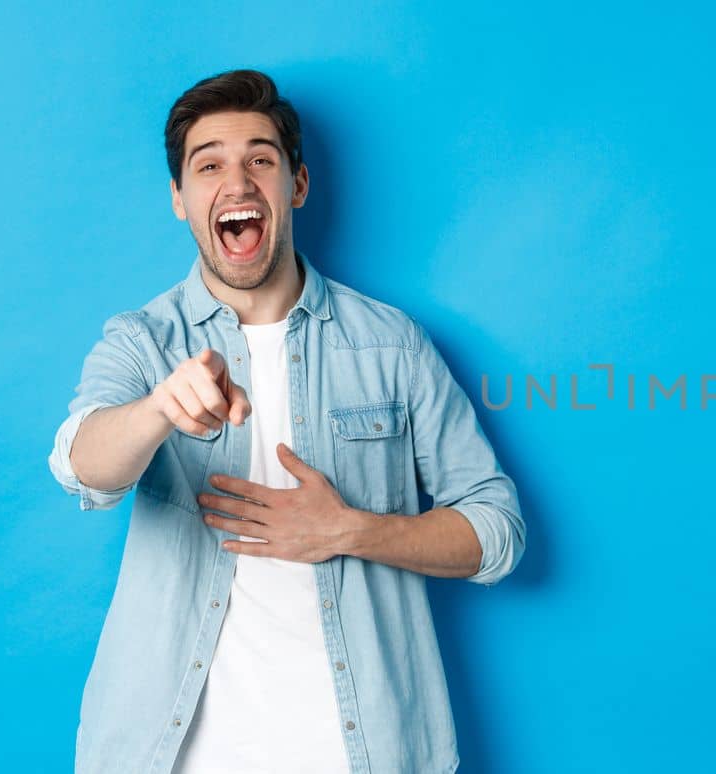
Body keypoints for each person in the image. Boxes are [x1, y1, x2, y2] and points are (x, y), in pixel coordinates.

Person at [47, 69, 526, 774]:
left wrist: (349, 529)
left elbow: (498, 531)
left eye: (259, 160)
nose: (236, 182)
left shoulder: (392, 345)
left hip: (363, 754)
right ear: (180, 199)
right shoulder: (142, 342)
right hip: (169, 756)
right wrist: (157, 410)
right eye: (208, 164)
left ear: (295, 186)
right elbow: (79, 466)